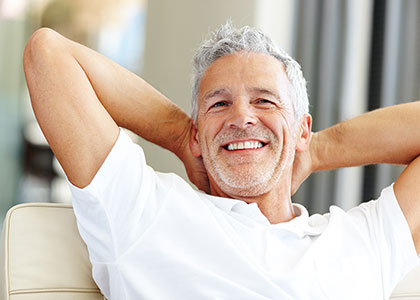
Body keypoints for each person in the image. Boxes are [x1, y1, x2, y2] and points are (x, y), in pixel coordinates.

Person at [23, 22, 420, 300]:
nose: (242, 117)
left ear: (302, 129)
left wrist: (316, 150)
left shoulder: (361, 241)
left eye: (264, 101)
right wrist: (180, 136)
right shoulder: (145, 211)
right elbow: (49, 55)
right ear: (198, 133)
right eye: (219, 104)